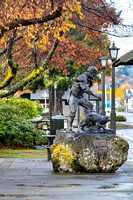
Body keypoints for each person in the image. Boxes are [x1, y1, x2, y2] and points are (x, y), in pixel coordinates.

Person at [67, 66, 101, 131]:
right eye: (94, 74)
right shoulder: (82, 77)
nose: (94, 76)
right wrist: (95, 95)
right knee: (72, 112)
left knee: (90, 106)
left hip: (80, 97)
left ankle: (86, 125)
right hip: (74, 97)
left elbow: (89, 86)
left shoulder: (89, 78)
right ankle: (69, 127)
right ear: (91, 72)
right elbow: (85, 88)